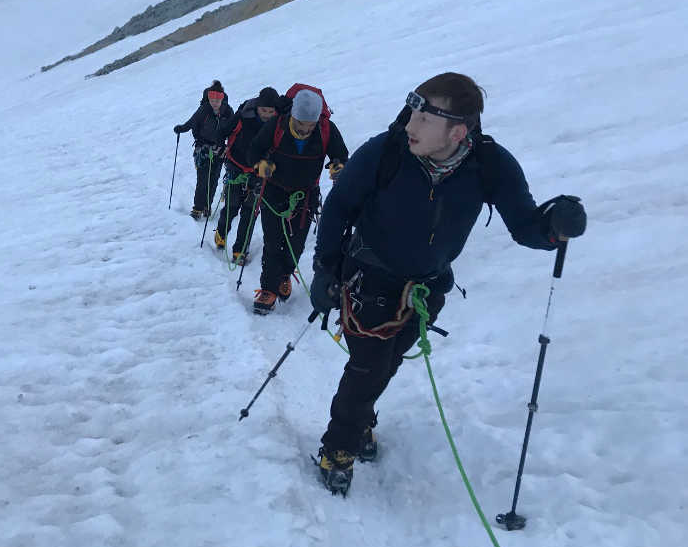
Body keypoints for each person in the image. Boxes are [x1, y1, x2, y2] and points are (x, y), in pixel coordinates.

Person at [309, 72, 587, 495]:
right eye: (413, 112)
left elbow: (527, 226)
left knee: (387, 364)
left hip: (426, 290)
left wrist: (555, 227)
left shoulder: (489, 165)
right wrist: (325, 269)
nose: (410, 125)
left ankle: (360, 418)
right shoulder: (385, 152)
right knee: (366, 369)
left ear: (457, 131)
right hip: (368, 279)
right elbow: (339, 206)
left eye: (424, 118)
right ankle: (339, 447)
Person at [247, 86, 348, 315]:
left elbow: (340, 154)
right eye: (301, 124)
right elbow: (255, 149)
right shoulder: (277, 126)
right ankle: (268, 288)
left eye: (310, 126)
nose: (305, 130)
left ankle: (284, 274)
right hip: (274, 192)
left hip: (305, 197)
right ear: (293, 116)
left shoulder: (326, 130)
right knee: (272, 242)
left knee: (296, 244)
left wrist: (339, 166)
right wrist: (260, 164)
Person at [212, 87, 284, 265]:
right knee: (232, 205)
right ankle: (221, 231)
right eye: (263, 110)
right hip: (236, 165)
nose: (267, 114)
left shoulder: (280, 123)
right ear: (257, 107)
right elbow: (222, 131)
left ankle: (240, 250)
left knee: (250, 211)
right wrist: (219, 146)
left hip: (260, 171)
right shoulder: (244, 115)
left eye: (270, 111)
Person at [173, 81, 233, 219]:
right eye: (212, 100)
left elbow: (233, 129)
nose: (214, 103)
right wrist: (181, 129)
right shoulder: (204, 109)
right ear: (209, 98)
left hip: (219, 150)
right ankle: (198, 208)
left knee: (213, 179)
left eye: (217, 100)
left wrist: (228, 147)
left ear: (222, 98)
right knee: (203, 179)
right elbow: (191, 122)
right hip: (203, 149)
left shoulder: (228, 111)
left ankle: (207, 206)